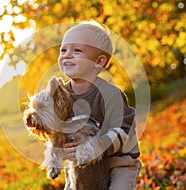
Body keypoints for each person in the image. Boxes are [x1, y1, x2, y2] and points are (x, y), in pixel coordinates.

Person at [58, 20, 142, 190]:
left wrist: (96, 147)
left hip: (118, 162)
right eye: (63, 50)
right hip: (81, 163)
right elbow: (56, 127)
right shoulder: (61, 95)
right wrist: (63, 149)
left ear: (98, 62)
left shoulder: (110, 94)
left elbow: (124, 130)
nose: (67, 55)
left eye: (77, 50)